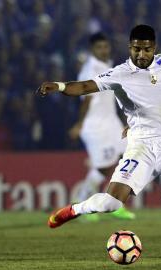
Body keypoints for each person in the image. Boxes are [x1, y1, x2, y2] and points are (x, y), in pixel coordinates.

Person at [37, 24, 161, 266]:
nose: (141, 55)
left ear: (154, 48)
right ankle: (75, 209)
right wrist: (58, 87)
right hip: (141, 147)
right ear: (129, 48)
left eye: (146, 49)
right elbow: (84, 87)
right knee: (111, 203)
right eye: (136, 49)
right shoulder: (119, 74)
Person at [68, 32, 135, 221]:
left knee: (130, 157)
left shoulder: (106, 66)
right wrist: (80, 124)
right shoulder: (90, 69)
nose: (104, 50)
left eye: (105, 46)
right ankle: (81, 204)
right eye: (99, 47)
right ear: (92, 50)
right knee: (104, 168)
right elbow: (87, 99)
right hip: (95, 125)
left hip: (111, 122)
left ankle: (116, 203)